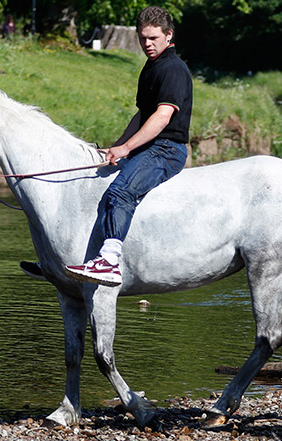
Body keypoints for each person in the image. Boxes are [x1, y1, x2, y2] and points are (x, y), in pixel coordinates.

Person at [67, 6, 192, 286]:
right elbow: (142, 115)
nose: (147, 44)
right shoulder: (151, 67)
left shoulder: (172, 69)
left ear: (169, 35)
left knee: (120, 192)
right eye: (142, 38)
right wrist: (117, 146)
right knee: (93, 181)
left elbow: (162, 117)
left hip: (167, 150)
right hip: (148, 148)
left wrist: (126, 149)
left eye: (153, 38)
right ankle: (62, 260)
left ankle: (109, 263)